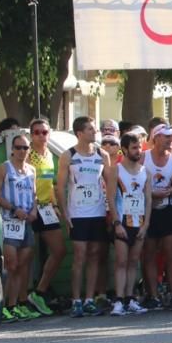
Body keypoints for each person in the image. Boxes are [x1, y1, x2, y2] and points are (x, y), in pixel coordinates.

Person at [56, 116, 115, 318]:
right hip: (78, 212)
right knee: (80, 256)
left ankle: (90, 298)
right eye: (90, 129)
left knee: (95, 255)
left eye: (94, 128)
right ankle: (76, 300)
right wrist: (65, 214)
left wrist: (112, 213)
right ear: (79, 133)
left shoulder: (102, 155)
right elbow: (60, 186)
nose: (94, 132)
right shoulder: (68, 156)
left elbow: (110, 186)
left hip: (97, 212)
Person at [141, 124, 172, 310]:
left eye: (171, 137)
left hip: (169, 208)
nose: (170, 140)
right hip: (149, 210)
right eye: (166, 137)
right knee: (150, 254)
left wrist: (169, 191)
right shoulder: (144, 157)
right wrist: (150, 193)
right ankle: (153, 295)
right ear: (156, 138)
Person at [0, 132, 40, 323]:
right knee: (11, 264)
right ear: (12, 149)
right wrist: (13, 208)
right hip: (10, 221)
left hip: (26, 222)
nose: (22, 151)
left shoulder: (31, 170)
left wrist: (34, 210)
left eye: (25, 148)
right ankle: (6, 306)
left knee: (24, 264)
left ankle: (19, 303)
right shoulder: (4, 168)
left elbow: (34, 194)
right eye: (18, 148)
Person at [109, 132, 151, 316]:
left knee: (134, 261)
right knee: (122, 261)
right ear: (124, 149)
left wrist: (146, 224)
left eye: (140, 147)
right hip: (122, 221)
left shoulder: (145, 171)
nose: (138, 151)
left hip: (139, 222)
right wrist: (116, 222)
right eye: (134, 148)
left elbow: (148, 199)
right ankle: (118, 300)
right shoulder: (116, 170)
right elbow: (110, 197)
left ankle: (130, 297)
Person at [25, 118, 64, 316]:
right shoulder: (27, 153)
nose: (41, 135)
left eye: (44, 132)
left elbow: (50, 184)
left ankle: (39, 291)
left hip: (46, 208)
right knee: (26, 256)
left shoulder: (49, 154)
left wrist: (55, 204)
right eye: (37, 132)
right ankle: (20, 300)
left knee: (59, 251)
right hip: (29, 209)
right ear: (31, 135)